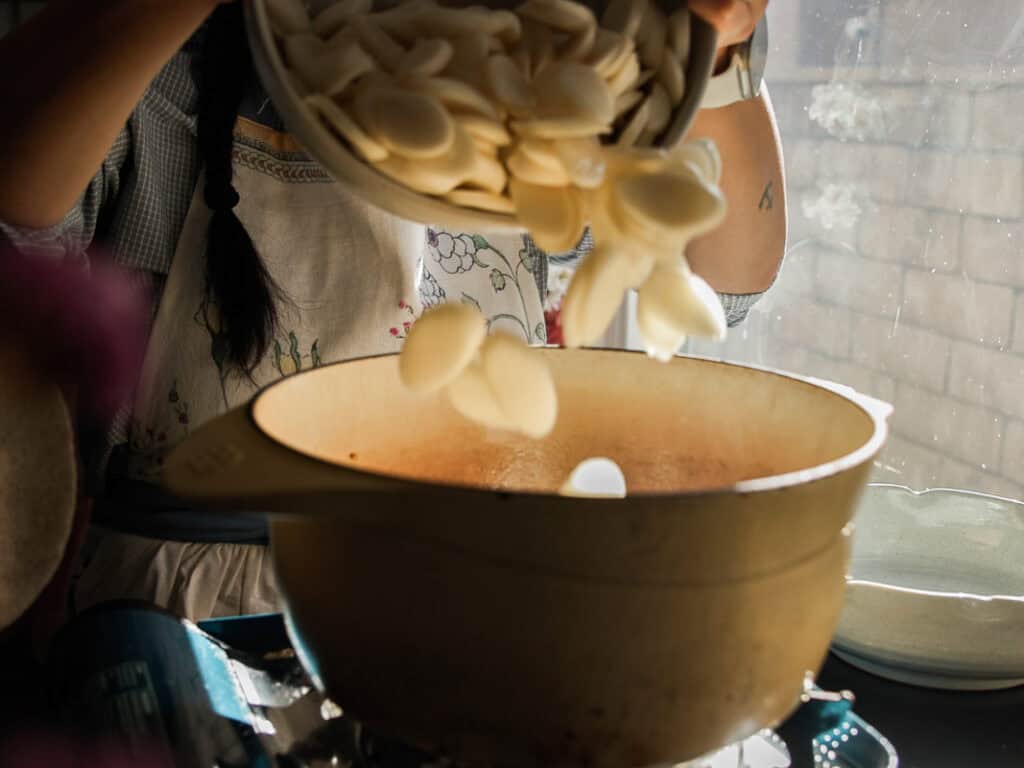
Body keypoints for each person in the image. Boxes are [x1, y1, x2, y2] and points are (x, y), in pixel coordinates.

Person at [0, 0, 783, 622]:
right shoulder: (164, 74)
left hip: (484, 595)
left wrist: (715, 55)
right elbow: (17, 224)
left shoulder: (540, 68)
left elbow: (728, 279)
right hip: (187, 614)